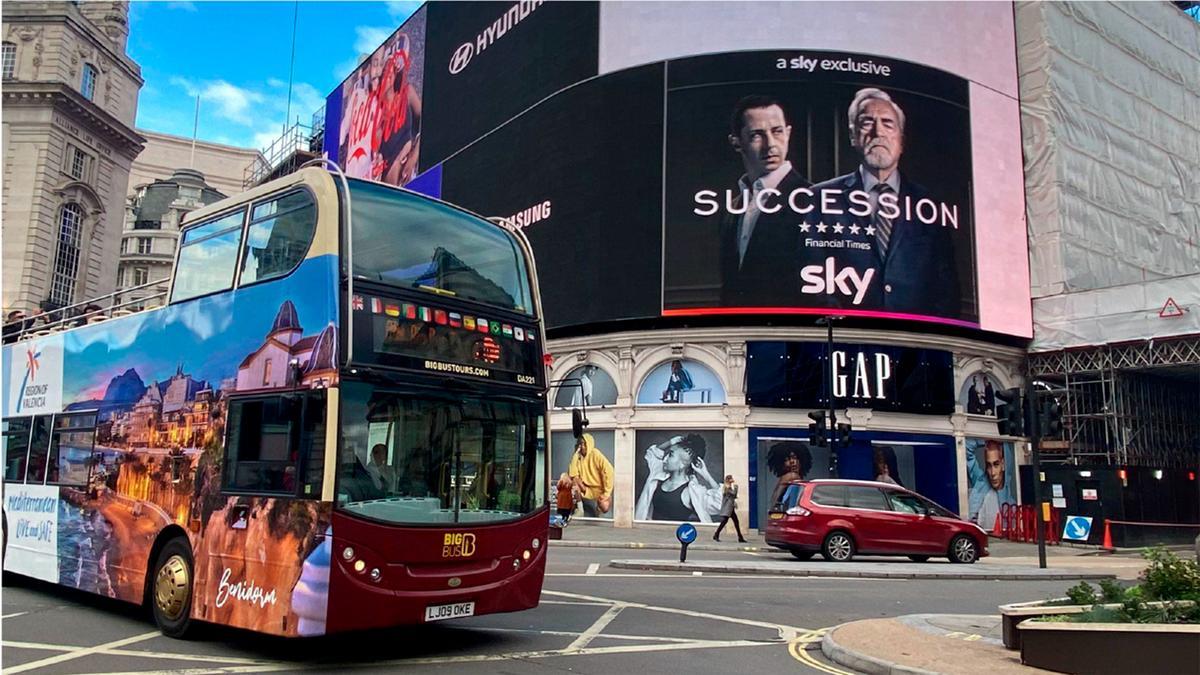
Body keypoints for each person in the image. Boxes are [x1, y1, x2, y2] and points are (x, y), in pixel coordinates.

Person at [803, 87, 960, 316]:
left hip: (917, 341)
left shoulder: (930, 206)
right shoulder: (818, 197)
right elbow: (810, 277)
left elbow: (947, 290)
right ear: (852, 135)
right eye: (867, 123)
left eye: (887, 123)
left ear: (902, 140)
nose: (878, 132)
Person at [719, 95, 812, 306]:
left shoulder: (813, 199)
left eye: (777, 131)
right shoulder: (731, 208)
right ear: (736, 142)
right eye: (756, 135)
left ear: (788, 133)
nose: (771, 145)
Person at [634, 434, 721, 522]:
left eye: (671, 455)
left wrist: (706, 475)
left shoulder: (693, 491)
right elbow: (652, 454)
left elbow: (721, 504)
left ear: (682, 464)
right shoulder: (658, 474)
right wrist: (670, 442)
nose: (665, 458)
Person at [967, 439, 1016, 528]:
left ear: (1003, 465)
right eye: (989, 465)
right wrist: (987, 439)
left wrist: (999, 439)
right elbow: (966, 447)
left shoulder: (1011, 504)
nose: (992, 473)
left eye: (996, 464)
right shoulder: (980, 482)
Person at [567, 433, 614, 517]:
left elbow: (609, 471)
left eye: (585, 443)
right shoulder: (578, 456)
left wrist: (606, 493)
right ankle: (580, 509)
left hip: (600, 489)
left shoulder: (595, 454)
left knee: (604, 507)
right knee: (573, 481)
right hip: (586, 487)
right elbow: (572, 473)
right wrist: (575, 454)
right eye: (581, 443)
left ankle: (599, 510)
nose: (583, 446)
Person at [766, 441, 812, 506]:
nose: (792, 462)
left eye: (794, 457)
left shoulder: (786, 478)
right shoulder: (791, 476)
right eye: (786, 460)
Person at [713, 475, 747, 543]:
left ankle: (740, 537)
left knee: (734, 522)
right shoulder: (727, 487)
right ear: (728, 480)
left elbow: (731, 497)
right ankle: (716, 534)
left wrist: (734, 503)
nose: (732, 479)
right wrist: (736, 487)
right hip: (728, 508)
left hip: (730, 508)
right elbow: (734, 494)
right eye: (731, 478)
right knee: (725, 522)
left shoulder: (728, 487)